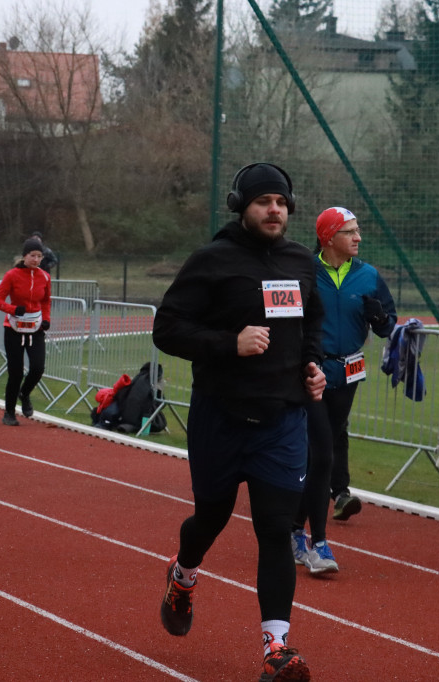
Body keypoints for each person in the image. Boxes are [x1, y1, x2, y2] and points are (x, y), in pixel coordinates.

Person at [151, 162, 325, 681]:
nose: (275, 210)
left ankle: (277, 650)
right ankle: (183, 575)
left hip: (282, 420)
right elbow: (168, 328)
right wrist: (230, 343)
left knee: (275, 529)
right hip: (221, 418)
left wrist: (312, 366)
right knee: (211, 517)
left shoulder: (301, 261)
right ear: (240, 206)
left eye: (281, 202)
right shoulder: (213, 260)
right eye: (263, 201)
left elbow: (311, 321)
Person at [290, 207, 397, 575]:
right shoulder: (303, 270)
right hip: (311, 373)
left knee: (320, 455)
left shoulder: (368, 276)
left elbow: (388, 326)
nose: (358, 237)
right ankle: (317, 543)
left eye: (358, 230)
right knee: (322, 455)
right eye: (350, 231)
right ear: (328, 237)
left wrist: (381, 318)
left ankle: (292, 529)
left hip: (349, 373)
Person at [0, 236, 52, 426]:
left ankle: (24, 394)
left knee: (37, 367)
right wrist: (13, 309)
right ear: (25, 256)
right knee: (15, 372)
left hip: (35, 328)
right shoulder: (12, 275)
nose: (36, 260)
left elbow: (46, 300)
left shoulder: (44, 276)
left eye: (39, 256)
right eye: (33, 255)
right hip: (14, 328)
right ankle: (9, 412)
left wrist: (47, 319)